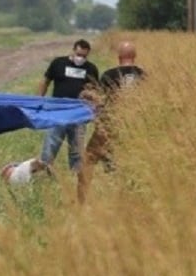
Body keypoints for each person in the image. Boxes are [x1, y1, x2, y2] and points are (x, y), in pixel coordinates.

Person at [79, 41, 147, 201]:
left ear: (119, 58)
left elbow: (100, 101)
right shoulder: (143, 75)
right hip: (135, 127)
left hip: (109, 126)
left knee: (87, 161)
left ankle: (81, 201)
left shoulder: (109, 75)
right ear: (134, 57)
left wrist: (87, 95)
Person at [38, 39, 100, 172]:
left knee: (77, 148)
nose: (81, 58)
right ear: (73, 50)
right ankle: (43, 171)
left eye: (84, 56)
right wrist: (39, 100)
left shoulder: (91, 69)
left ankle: (76, 174)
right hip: (58, 111)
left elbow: (95, 92)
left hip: (79, 113)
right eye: (79, 54)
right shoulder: (58, 63)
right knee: (51, 144)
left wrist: (92, 108)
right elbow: (45, 81)